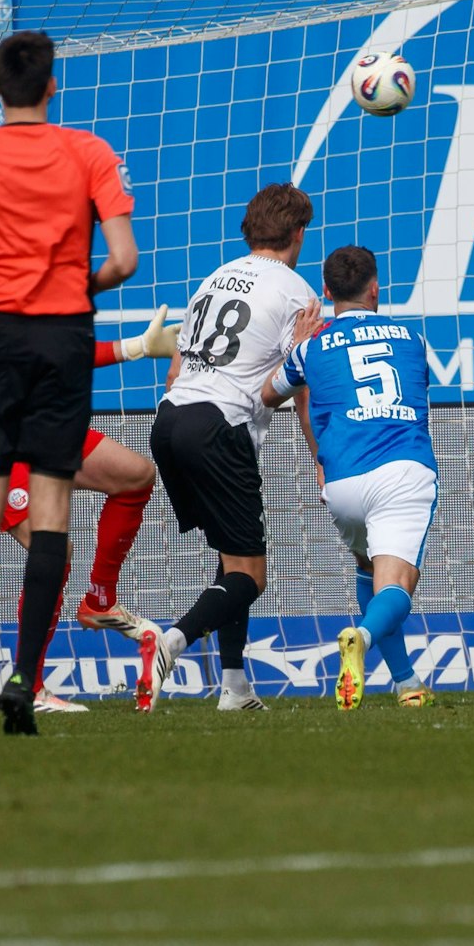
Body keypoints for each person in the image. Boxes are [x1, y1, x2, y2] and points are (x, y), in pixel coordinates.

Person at [0, 29, 137, 736]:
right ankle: (25, 677)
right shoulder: (89, 152)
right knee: (52, 504)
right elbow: (125, 259)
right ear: (53, 86)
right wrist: (76, 281)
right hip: (65, 333)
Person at [140, 182, 319, 714]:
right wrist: (318, 456)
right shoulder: (296, 292)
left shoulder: (214, 278)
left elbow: (175, 368)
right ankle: (173, 640)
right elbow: (300, 384)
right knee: (250, 575)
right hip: (217, 427)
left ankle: (235, 687)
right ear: (298, 233)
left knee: (231, 557)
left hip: (169, 421)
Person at [257, 246, 436, 710]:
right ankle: (360, 637)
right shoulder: (412, 338)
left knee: (366, 566)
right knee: (396, 585)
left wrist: (297, 349)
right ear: (375, 289)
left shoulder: (312, 346)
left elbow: (268, 395)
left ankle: (406, 683)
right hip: (401, 469)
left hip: (342, 484)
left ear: (327, 291)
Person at [0, 318, 175, 715]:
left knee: (136, 475)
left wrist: (139, 345)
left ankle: (99, 599)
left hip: (48, 429)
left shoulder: (41, 296)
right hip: (2, 440)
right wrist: (136, 348)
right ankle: (29, 686)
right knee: (54, 550)